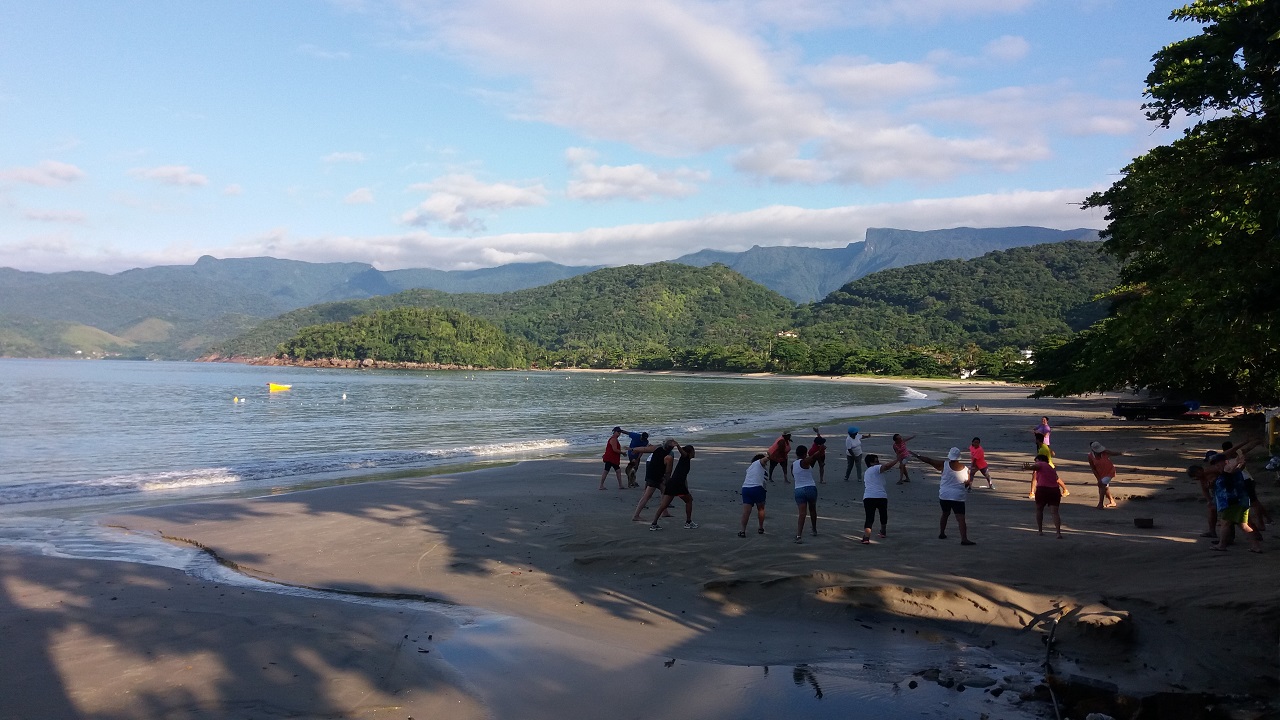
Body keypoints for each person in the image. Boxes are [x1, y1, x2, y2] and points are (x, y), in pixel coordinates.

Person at [913, 448, 975, 545]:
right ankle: (964, 538)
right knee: (961, 518)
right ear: (959, 457)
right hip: (957, 497)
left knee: (945, 514)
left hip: (944, 495)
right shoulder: (966, 469)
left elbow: (929, 460)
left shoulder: (944, 464)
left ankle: (942, 533)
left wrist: (917, 456)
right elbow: (967, 484)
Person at [1210, 446, 1263, 553]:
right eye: (1215, 464)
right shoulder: (1233, 470)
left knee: (1225, 524)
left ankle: (1222, 545)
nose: (1216, 466)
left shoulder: (1229, 469)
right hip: (1239, 502)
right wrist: (1240, 459)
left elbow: (1233, 468)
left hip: (1232, 503)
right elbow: (1240, 465)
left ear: (1225, 462)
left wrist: (1238, 459)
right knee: (1243, 525)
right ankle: (1255, 546)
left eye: (1218, 463)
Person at [649, 445, 698, 531]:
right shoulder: (685, 457)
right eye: (693, 451)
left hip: (673, 483)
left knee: (664, 505)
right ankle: (688, 522)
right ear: (689, 452)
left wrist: (686, 488)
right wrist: (677, 445)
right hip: (678, 484)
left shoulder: (685, 461)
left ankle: (654, 524)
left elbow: (684, 476)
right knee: (689, 500)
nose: (694, 453)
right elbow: (682, 452)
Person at [859, 453, 903, 544]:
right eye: (876, 461)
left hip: (869, 497)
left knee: (869, 517)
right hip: (881, 496)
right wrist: (897, 459)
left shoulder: (867, 472)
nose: (879, 462)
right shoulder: (875, 468)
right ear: (871, 463)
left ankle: (866, 537)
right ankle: (883, 532)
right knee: (883, 515)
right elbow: (887, 466)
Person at [631, 438, 678, 522]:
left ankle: (664, 511)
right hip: (657, 477)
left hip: (652, 474)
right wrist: (667, 481)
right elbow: (668, 472)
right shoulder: (669, 457)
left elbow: (644, 449)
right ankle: (636, 515)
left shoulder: (657, 448)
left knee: (664, 492)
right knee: (648, 496)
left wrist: (634, 449)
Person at [1030, 452, 1064, 538]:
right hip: (1054, 490)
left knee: (1039, 509)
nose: (1035, 463)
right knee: (1055, 512)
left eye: (1036, 461)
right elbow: (1057, 479)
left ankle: (1040, 530)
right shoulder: (1051, 468)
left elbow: (1036, 466)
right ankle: (1058, 532)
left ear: (1040, 460)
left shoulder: (1041, 464)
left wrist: (1028, 467)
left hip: (1043, 489)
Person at [792, 445, 819, 543]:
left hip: (798, 489)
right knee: (812, 509)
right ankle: (814, 529)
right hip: (810, 487)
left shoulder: (793, 464)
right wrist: (817, 452)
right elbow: (809, 460)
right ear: (805, 453)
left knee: (802, 513)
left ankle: (799, 535)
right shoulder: (804, 462)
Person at [1027, 433, 1066, 499]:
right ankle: (1032, 492)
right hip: (1048, 465)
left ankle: (1032, 493)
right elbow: (1053, 453)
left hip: (1047, 466)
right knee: (1055, 479)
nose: (1035, 441)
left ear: (1038, 440)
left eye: (1036, 439)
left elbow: (1040, 459)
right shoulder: (1044, 446)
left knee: (1056, 479)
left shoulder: (1042, 449)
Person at [738, 453, 769, 537]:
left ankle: (742, 531)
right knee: (761, 509)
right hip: (758, 488)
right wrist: (771, 455)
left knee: (746, 512)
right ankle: (761, 527)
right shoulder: (758, 464)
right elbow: (764, 460)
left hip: (746, 488)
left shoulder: (750, 468)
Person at [1087, 441, 1124, 508]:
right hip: (1101, 473)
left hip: (1110, 471)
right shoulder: (1090, 456)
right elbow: (1093, 468)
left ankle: (1100, 504)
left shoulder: (1105, 452)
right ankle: (1112, 501)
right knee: (1104, 487)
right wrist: (1098, 478)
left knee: (1102, 485)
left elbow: (1113, 453)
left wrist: (1121, 453)